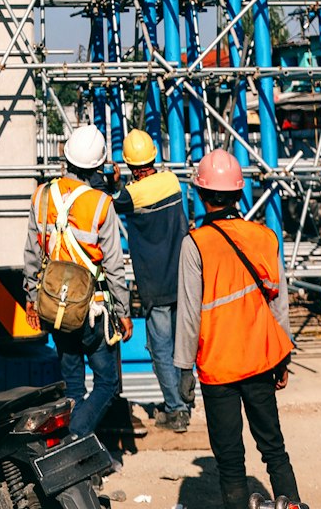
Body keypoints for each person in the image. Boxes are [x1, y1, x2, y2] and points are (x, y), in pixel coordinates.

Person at [174, 149, 304, 509]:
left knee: (230, 461)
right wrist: (283, 357)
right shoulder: (265, 237)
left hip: (218, 368)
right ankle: (290, 504)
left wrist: (183, 367)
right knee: (274, 449)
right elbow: (280, 304)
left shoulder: (194, 245)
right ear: (238, 193)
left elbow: (188, 314)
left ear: (200, 194)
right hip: (261, 359)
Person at [23, 122, 133, 449]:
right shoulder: (101, 204)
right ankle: (76, 438)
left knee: (72, 385)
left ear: (67, 159)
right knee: (107, 383)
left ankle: (70, 444)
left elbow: (31, 253)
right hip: (93, 310)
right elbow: (113, 265)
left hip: (55, 307)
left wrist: (31, 299)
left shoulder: (41, 196)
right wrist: (124, 312)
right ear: (98, 166)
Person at [117, 129, 190, 431]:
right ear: (153, 157)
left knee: (160, 348)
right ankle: (184, 393)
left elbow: (112, 201)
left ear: (132, 165)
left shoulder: (130, 195)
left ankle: (176, 410)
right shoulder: (172, 181)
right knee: (183, 344)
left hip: (155, 285)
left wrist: (115, 181)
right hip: (184, 279)